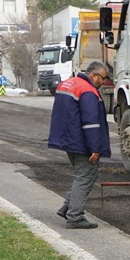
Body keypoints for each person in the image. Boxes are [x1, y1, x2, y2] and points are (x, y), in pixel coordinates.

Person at [48, 59, 113, 228]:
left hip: (68, 140)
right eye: (103, 78)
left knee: (82, 176)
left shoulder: (67, 84)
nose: (104, 82)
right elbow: (91, 123)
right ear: (94, 75)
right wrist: (95, 148)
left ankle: (67, 207)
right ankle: (75, 217)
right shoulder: (88, 91)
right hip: (82, 143)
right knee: (85, 177)